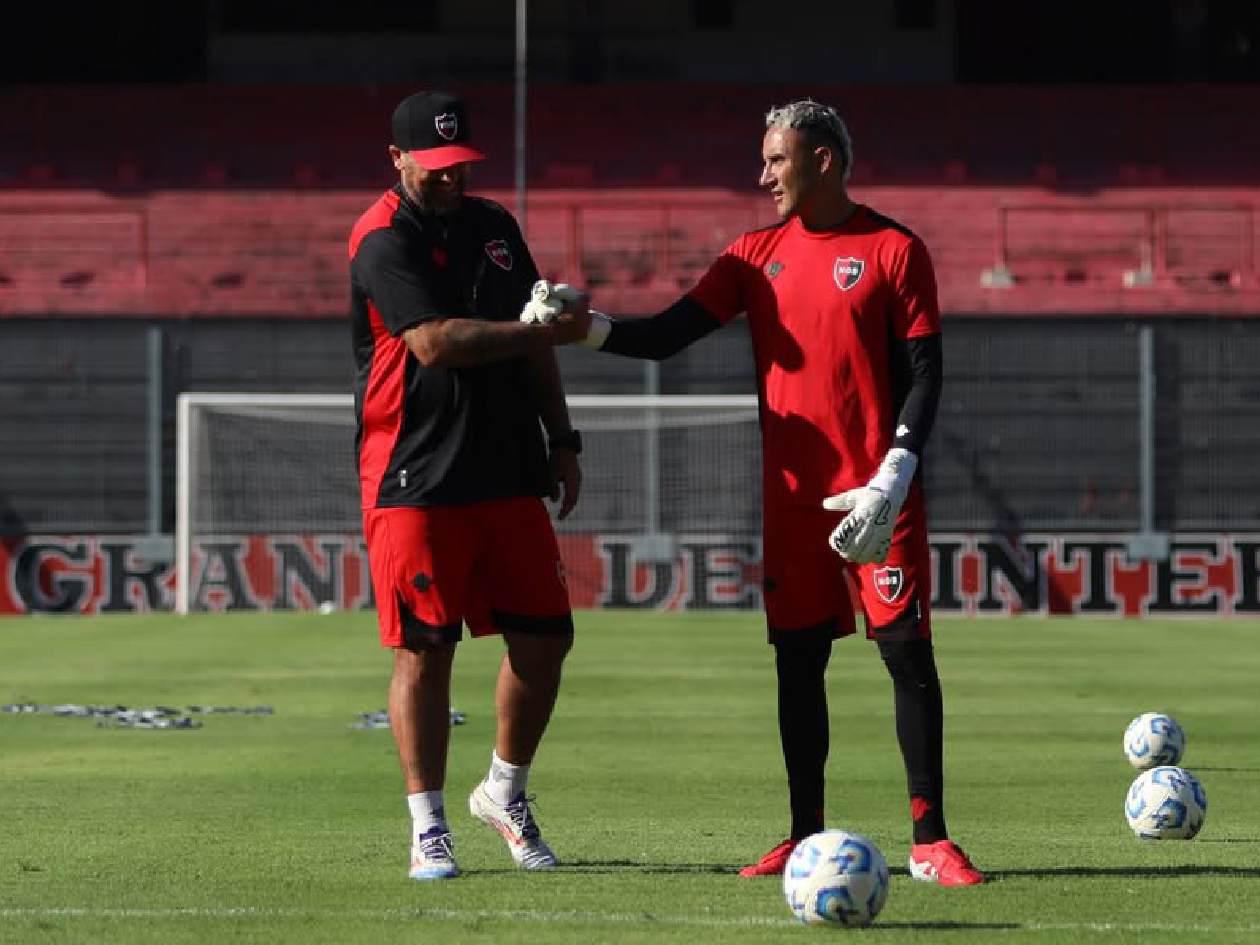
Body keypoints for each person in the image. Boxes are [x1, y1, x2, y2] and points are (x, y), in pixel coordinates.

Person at [561, 99, 984, 885]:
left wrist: (894, 473)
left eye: (776, 160)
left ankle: (930, 839)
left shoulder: (895, 249)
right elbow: (665, 335)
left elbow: (926, 373)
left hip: (879, 497)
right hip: (793, 502)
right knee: (798, 662)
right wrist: (585, 329)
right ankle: (803, 835)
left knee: (906, 655)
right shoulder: (752, 257)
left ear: (823, 160)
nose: (764, 176)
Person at [348, 90, 589, 881]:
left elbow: (536, 337)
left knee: (547, 636)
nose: (452, 178)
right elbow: (433, 342)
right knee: (426, 646)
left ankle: (504, 791)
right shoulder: (382, 236)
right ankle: (428, 826)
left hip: (507, 461)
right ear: (398, 159)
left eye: (461, 164)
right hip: (414, 468)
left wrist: (562, 437)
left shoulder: (494, 226)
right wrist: (540, 329)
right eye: (436, 166)